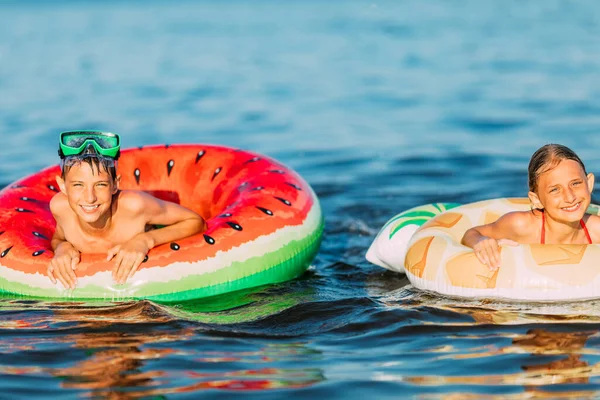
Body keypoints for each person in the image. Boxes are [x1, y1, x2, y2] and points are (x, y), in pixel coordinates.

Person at [48, 130, 206, 289]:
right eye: (78, 185)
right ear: (62, 186)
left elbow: (196, 221)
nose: (90, 198)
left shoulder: (134, 206)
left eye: (100, 185)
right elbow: (58, 238)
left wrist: (145, 240)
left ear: (115, 184)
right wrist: (63, 248)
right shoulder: (61, 208)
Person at [461, 143, 600, 270]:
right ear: (537, 200)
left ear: (589, 183)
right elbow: (471, 234)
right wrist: (481, 241)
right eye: (555, 190)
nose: (570, 197)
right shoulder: (521, 226)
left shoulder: (596, 229)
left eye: (575, 183)